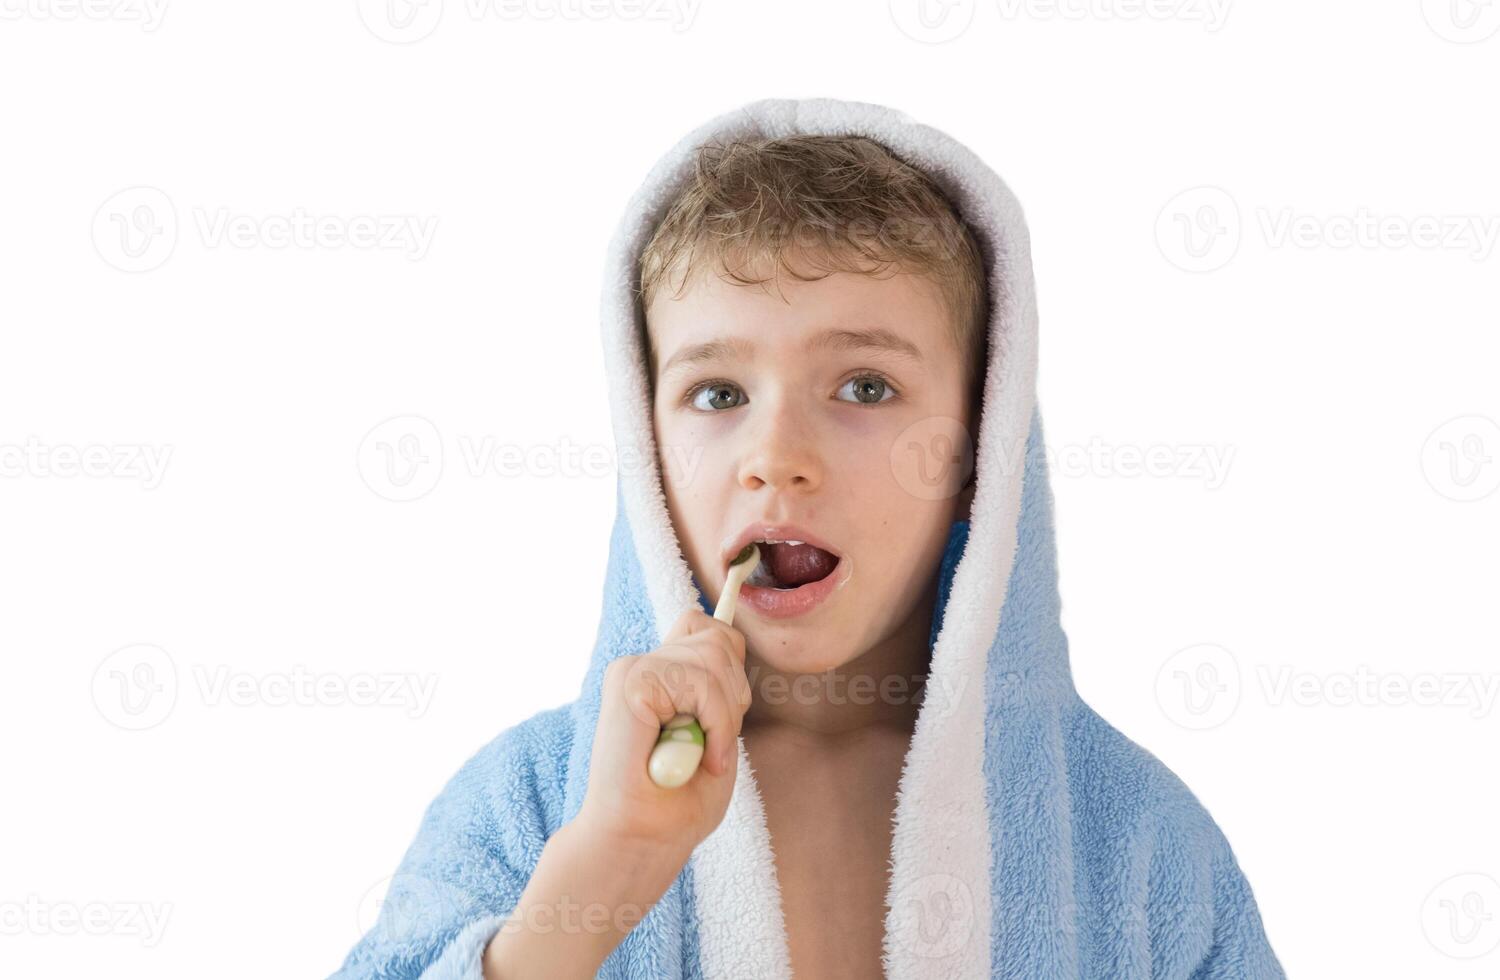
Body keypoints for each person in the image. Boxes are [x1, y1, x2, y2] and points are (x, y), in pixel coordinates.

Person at [328, 96, 1285, 979]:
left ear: (976, 457)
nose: (775, 456)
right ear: (648, 454)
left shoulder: (1138, 845)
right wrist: (595, 883)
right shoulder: (527, 810)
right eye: (718, 394)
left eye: (864, 387)